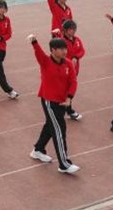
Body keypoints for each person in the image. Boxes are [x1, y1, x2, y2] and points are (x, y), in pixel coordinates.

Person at [27, 34, 80, 174]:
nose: (64, 51)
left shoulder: (68, 63)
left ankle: (38, 149)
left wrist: (69, 98)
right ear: (53, 50)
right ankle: (64, 164)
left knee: (50, 126)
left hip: (63, 102)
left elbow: (73, 81)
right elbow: (38, 53)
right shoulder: (45, 61)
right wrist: (34, 41)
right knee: (59, 130)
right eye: (61, 49)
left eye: (65, 49)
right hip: (49, 101)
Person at [54, 20, 86, 121]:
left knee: (68, 89)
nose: (73, 31)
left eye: (74, 29)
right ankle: (69, 111)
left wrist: (76, 57)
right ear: (65, 30)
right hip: (65, 69)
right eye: (70, 29)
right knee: (67, 90)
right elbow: (58, 54)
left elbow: (82, 51)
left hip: (75, 69)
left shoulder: (77, 40)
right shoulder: (61, 41)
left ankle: (64, 108)